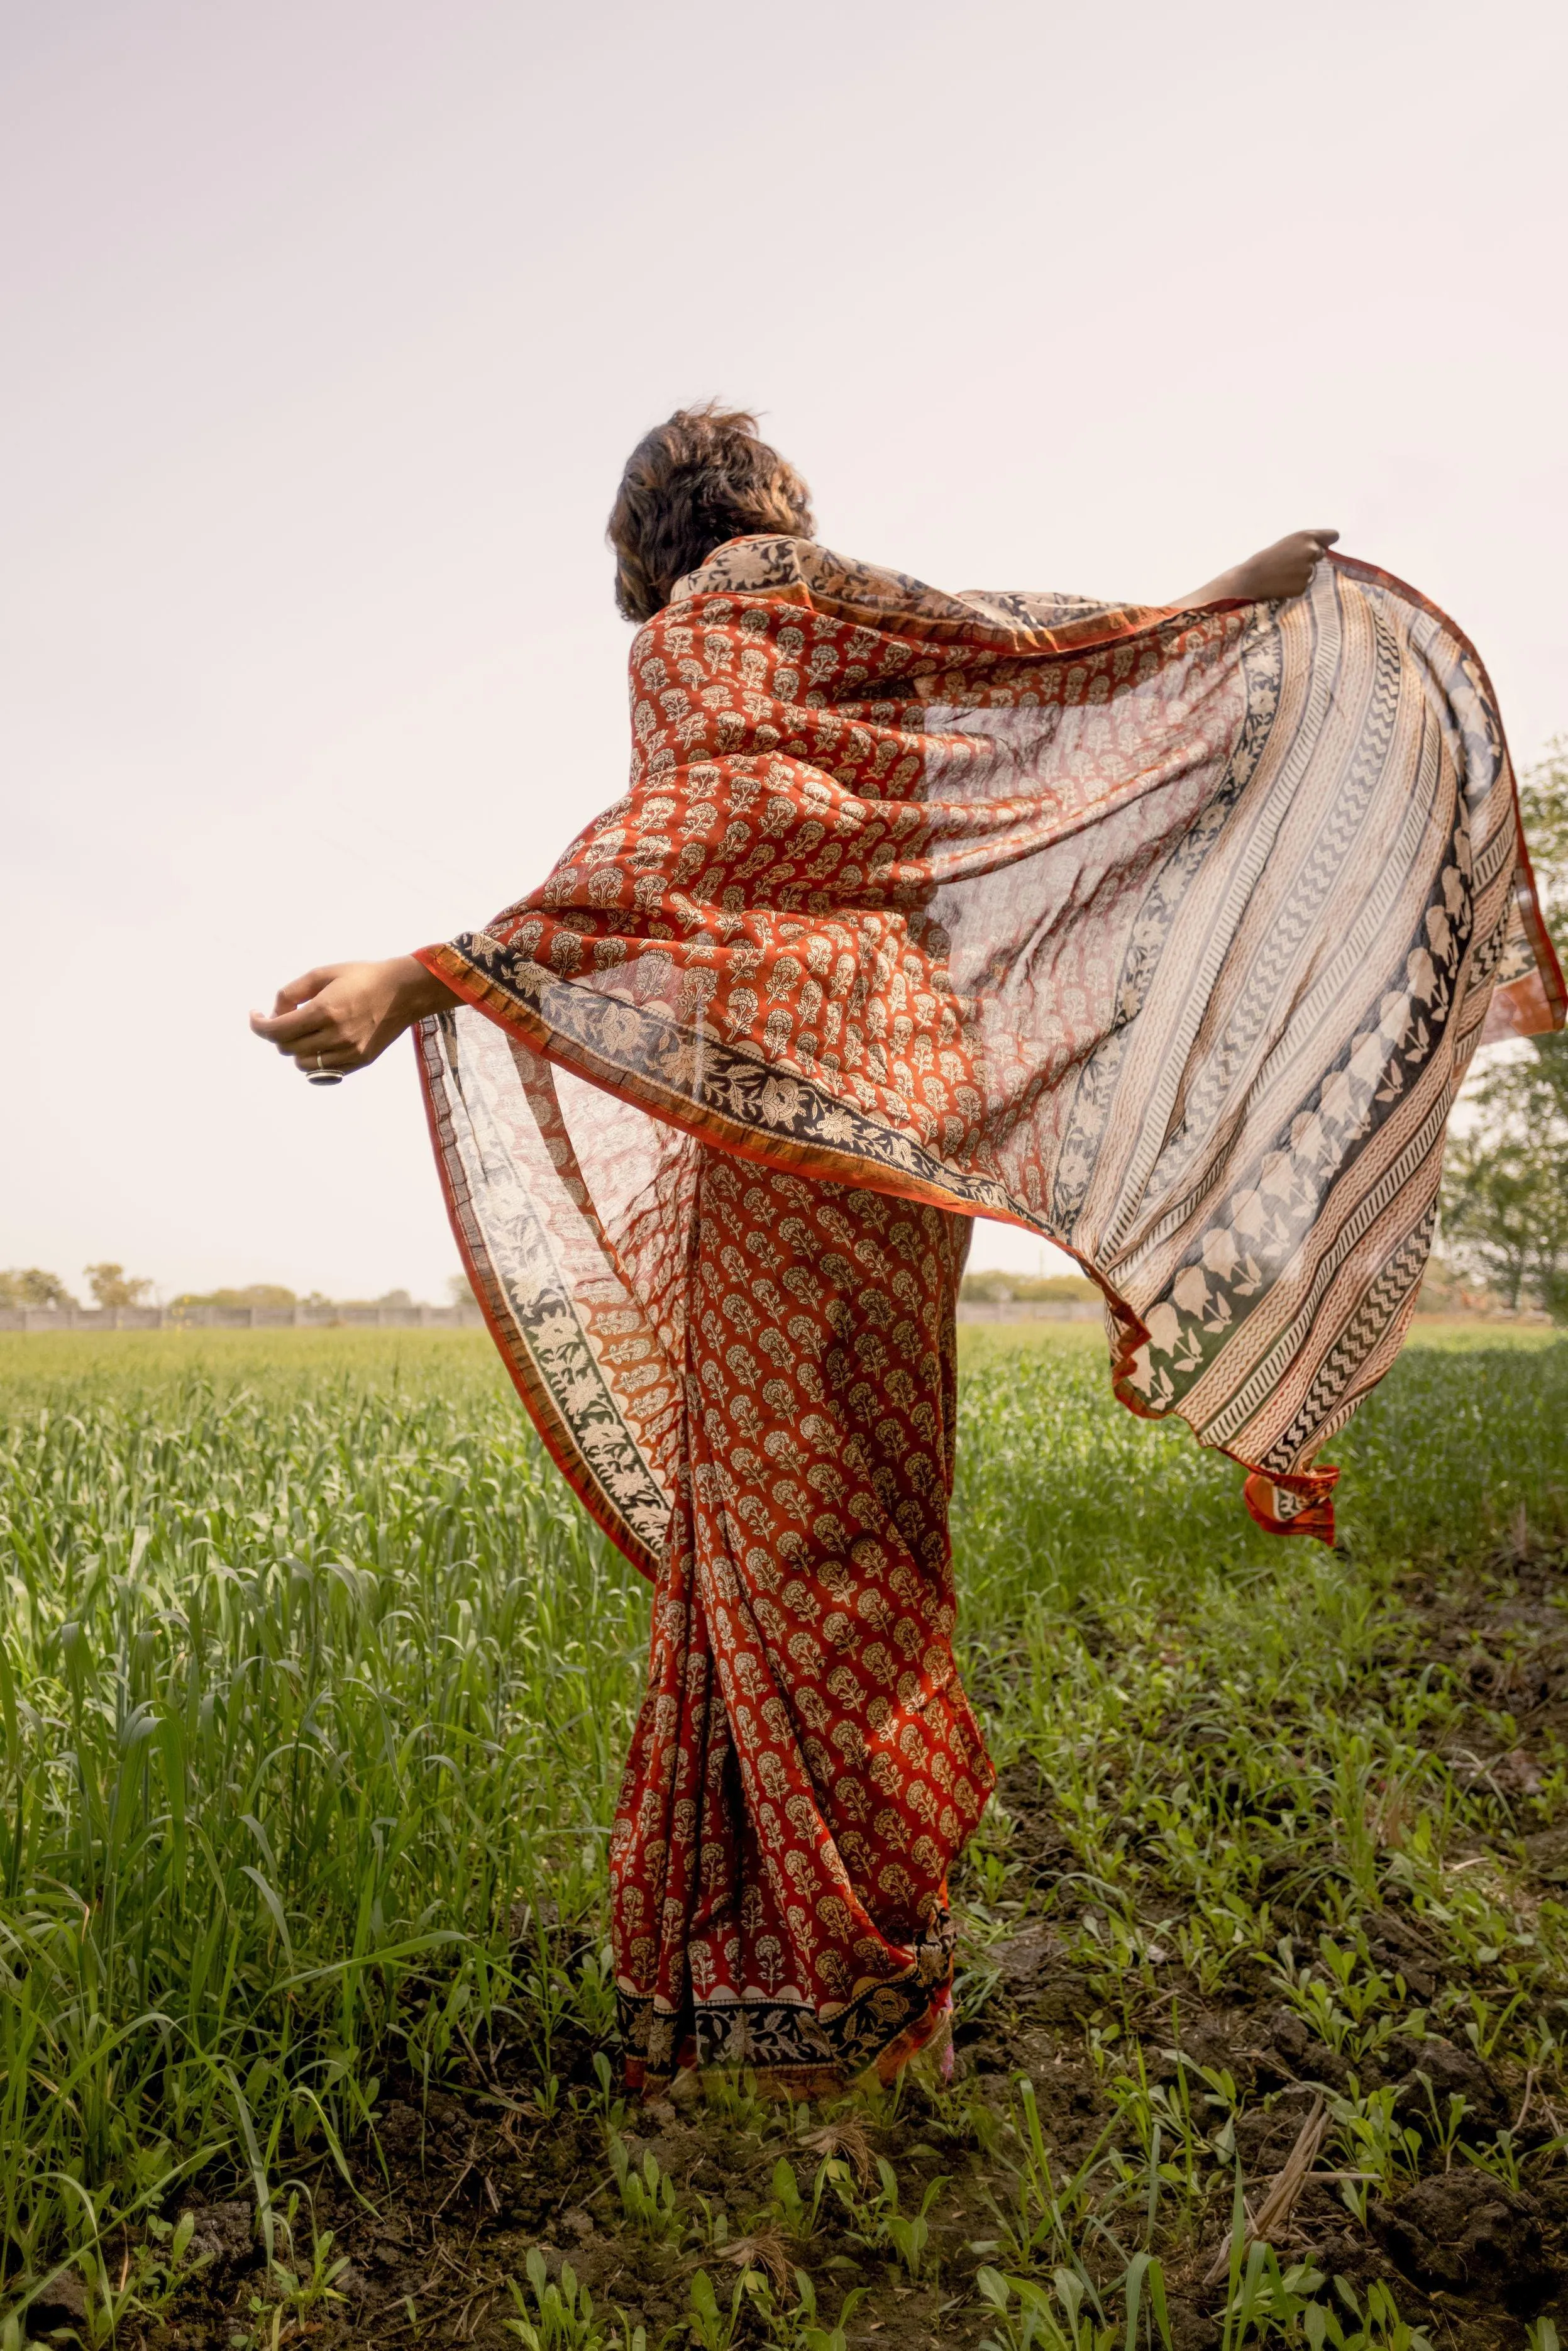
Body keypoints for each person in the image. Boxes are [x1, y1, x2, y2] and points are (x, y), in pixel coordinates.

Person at [253, 406, 1559, 2093]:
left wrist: (422, 971)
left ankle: (832, 1982)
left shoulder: (709, 620)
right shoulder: (862, 617)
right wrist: (1218, 602)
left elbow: (708, 833)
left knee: (783, 1539)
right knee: (864, 1507)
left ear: (650, 544)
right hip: (906, 1115)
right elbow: (1055, 653)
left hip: (791, 1118)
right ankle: (863, 1959)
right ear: (777, 506)